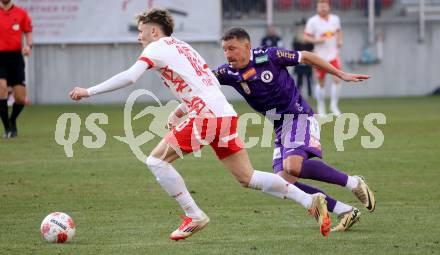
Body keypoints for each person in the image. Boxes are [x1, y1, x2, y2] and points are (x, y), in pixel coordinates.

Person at [69, 8, 332, 240]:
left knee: (156, 161)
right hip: (224, 114)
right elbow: (205, 80)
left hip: (206, 115)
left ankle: (193, 215)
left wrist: (88, 91)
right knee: (247, 177)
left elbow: (130, 77)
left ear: (152, 30)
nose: (139, 37)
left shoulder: (156, 47)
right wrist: (182, 109)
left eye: (141, 32)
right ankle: (310, 200)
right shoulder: (182, 46)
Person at [211, 27, 375, 232]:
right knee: (281, 184)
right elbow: (201, 83)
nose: (228, 54)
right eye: (225, 49)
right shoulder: (227, 72)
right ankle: (345, 211)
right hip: (279, 127)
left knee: (293, 168)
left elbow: (305, 56)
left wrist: (340, 73)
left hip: (298, 117)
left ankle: (353, 182)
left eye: (232, 48)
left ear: (247, 46)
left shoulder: (268, 56)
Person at [304, 0, 343, 116]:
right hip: (319, 57)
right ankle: (321, 107)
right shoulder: (312, 21)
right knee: (321, 83)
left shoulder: (335, 19)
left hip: (333, 55)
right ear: (317, 8)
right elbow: (306, 37)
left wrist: (340, 40)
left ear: (328, 7)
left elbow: (339, 31)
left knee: (337, 79)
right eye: (320, 7)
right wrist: (317, 40)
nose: (323, 9)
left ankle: (334, 106)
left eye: (325, 6)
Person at [0, 0, 32, 138]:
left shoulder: (21, 13)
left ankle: (12, 121)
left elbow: (28, 32)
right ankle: (7, 128)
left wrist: (28, 46)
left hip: (15, 58)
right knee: (2, 89)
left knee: (20, 97)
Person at [292, 18, 314, 98]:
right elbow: (294, 49)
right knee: (299, 79)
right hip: (299, 61)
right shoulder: (296, 39)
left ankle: (310, 94)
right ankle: (298, 93)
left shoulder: (309, 38)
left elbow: (311, 48)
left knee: (309, 78)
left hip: (308, 61)